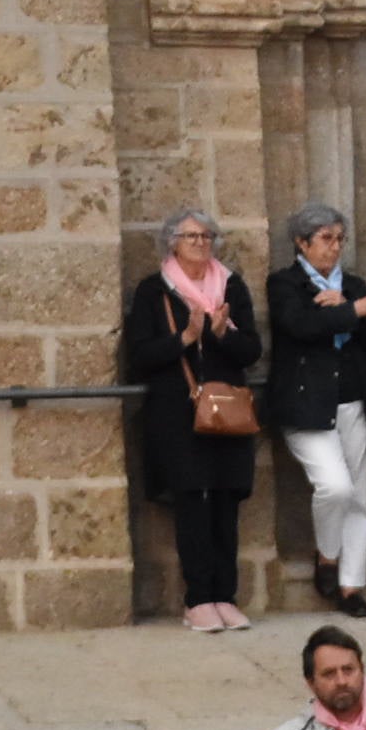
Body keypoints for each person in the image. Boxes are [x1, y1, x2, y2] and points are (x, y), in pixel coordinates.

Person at [125, 207, 262, 629]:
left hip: (228, 410)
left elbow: (252, 351)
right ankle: (198, 598)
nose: (201, 244)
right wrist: (184, 339)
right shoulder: (156, 291)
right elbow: (141, 355)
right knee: (193, 502)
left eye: (207, 237)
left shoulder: (230, 286)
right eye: (191, 237)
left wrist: (223, 334)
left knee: (224, 501)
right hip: (178, 413)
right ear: (172, 243)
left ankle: (225, 594)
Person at [266, 202, 366, 617]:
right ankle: (327, 555)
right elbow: (299, 326)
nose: (334, 247)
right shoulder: (285, 284)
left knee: (360, 496)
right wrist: (353, 311)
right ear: (302, 243)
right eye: (325, 239)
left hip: (354, 403)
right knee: (335, 486)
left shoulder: (352, 285)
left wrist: (348, 308)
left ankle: (350, 584)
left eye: (339, 238)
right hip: (306, 405)